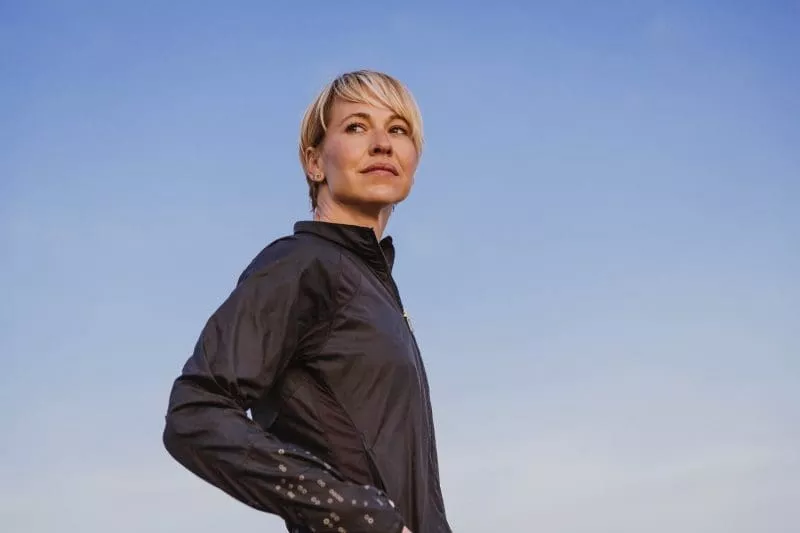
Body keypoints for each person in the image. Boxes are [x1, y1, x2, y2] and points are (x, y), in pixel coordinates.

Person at [162, 69, 451, 533]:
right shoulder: (304, 264)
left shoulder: (375, 291)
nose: (382, 142)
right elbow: (195, 412)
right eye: (356, 126)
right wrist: (355, 514)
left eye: (398, 129)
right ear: (314, 162)